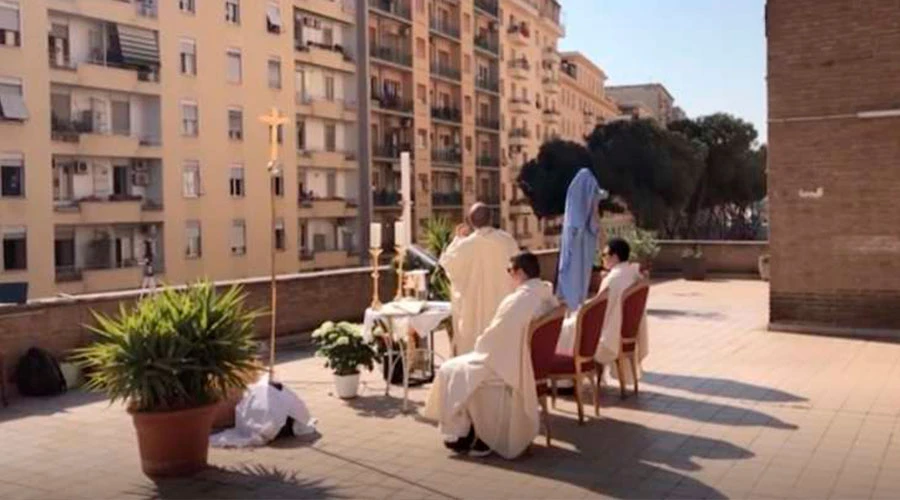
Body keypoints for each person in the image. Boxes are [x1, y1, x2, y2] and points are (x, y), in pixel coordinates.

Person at [424, 252, 561, 459]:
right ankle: (468, 430)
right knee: (459, 368)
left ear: (520, 273)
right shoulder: (545, 293)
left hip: (507, 365)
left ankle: (469, 434)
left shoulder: (518, 300)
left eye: (509, 270)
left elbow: (492, 340)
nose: (508, 275)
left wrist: (479, 346)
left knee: (449, 369)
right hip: (525, 362)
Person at [556, 237, 648, 384]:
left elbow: (599, 309)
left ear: (615, 257)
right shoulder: (631, 273)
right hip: (624, 331)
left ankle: (566, 381)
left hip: (609, 331)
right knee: (570, 323)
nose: (602, 259)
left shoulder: (614, 278)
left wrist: (580, 311)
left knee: (564, 328)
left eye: (604, 255)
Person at [439, 203, 520, 355]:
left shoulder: (464, 246)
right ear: (491, 218)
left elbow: (448, 264)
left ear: (470, 222)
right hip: (501, 307)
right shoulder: (506, 241)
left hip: (473, 312)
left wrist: (457, 239)